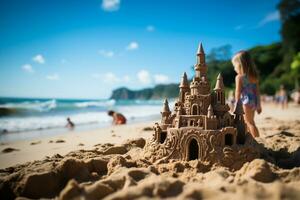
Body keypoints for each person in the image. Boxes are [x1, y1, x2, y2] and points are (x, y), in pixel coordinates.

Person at [232, 50, 261, 138]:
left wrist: (237, 105)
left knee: (248, 122)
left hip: (245, 101)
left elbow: (238, 92)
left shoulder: (239, 77)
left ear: (240, 65)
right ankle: (255, 138)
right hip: (253, 101)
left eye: (235, 66)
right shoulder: (254, 77)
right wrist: (259, 105)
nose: (234, 69)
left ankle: (256, 140)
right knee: (251, 121)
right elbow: (257, 92)